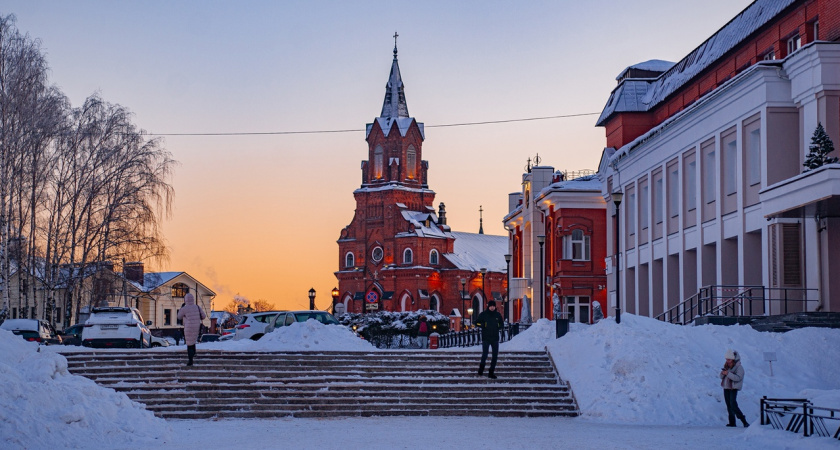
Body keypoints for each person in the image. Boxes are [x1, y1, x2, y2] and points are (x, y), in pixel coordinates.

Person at [719, 348, 749, 427]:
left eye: (729, 359)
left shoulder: (739, 367)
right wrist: (723, 373)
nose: (727, 361)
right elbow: (720, 376)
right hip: (726, 387)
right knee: (729, 405)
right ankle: (732, 422)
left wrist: (727, 373)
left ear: (732, 359)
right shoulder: (726, 365)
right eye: (726, 359)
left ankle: (743, 420)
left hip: (733, 387)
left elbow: (738, 378)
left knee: (733, 404)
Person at [475, 300, 504, 379]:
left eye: (493, 306)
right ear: (488, 306)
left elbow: (502, 324)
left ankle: (491, 372)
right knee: (485, 354)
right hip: (486, 337)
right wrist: (483, 325)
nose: (492, 308)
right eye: (491, 306)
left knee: (495, 355)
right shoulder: (484, 314)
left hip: (495, 338)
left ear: (495, 307)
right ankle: (481, 369)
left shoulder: (497, 315)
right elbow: (476, 322)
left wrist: (498, 326)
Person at [177, 293, 206, 366]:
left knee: (189, 343)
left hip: (188, 327)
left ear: (186, 300)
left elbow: (179, 317)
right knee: (193, 340)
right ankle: (194, 353)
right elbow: (204, 316)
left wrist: (181, 308)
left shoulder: (184, 308)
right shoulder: (197, 307)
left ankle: (190, 360)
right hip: (196, 327)